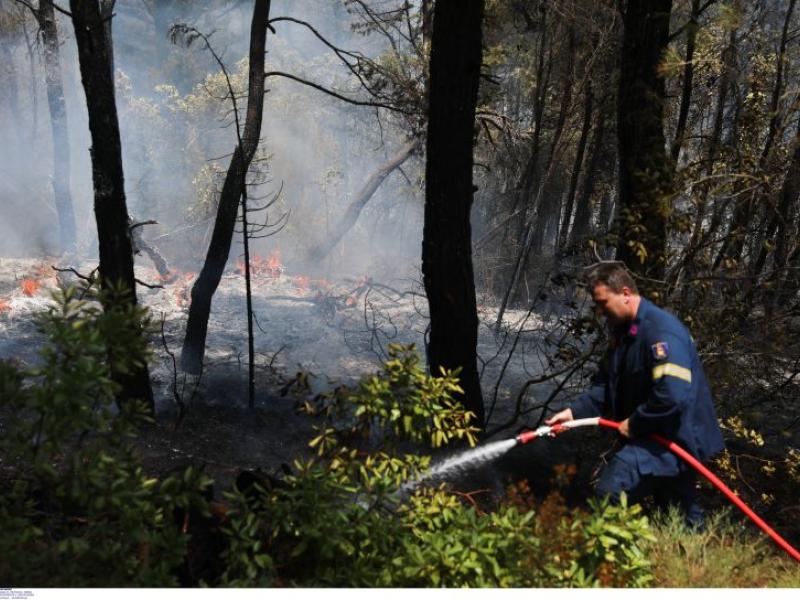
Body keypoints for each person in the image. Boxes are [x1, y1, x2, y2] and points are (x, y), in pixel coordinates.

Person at [546, 262, 724, 527]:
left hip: (673, 441)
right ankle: (694, 563)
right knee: (678, 521)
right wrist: (573, 414)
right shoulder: (624, 334)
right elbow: (606, 387)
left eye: (603, 302)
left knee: (610, 492)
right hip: (658, 439)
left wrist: (635, 422)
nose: (600, 311)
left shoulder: (661, 332)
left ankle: (605, 560)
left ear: (626, 293)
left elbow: (672, 395)